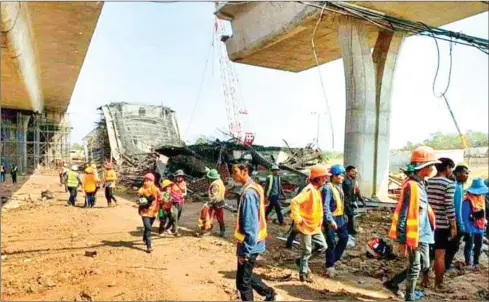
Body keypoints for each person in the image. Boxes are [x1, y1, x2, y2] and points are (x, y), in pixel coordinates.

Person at [387, 146, 438, 301]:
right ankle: (409, 296)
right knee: (416, 266)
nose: (433, 168)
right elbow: (403, 214)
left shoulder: (422, 183)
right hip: (414, 234)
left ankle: (394, 283)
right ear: (424, 168)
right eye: (431, 165)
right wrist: (402, 240)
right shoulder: (411, 186)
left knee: (424, 264)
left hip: (424, 231)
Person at [232, 160, 280, 301]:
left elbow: (250, 225)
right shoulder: (256, 187)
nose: (233, 175)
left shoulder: (248, 193)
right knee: (244, 277)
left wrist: (245, 251)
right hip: (254, 242)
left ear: (244, 171)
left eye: (235, 172)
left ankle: (271, 294)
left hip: (250, 244)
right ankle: (270, 294)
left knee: (243, 282)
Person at [290, 166, 328, 282]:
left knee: (323, 246)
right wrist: (298, 219)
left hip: (314, 227)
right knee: (307, 250)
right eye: (324, 178)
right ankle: (303, 273)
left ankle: (301, 261)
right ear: (318, 178)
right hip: (306, 226)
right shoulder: (309, 190)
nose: (326, 180)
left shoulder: (316, 190)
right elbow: (294, 202)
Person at [426, 157, 456, 291]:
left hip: (427, 222)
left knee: (426, 253)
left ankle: (424, 281)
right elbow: (449, 206)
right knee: (440, 255)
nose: (451, 172)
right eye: (451, 169)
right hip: (441, 225)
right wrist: (453, 225)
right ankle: (438, 285)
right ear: (447, 168)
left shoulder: (427, 182)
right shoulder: (449, 184)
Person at [323, 164, 348, 278]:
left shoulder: (339, 186)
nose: (342, 177)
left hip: (340, 217)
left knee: (344, 237)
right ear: (333, 176)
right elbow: (326, 206)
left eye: (343, 175)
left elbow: (340, 202)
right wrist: (330, 220)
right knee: (331, 242)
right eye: (340, 175)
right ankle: (330, 265)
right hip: (331, 218)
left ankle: (334, 258)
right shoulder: (328, 188)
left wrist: (344, 214)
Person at [445, 163, 470, 270]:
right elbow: (457, 208)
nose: (467, 175)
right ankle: (445, 266)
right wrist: (461, 225)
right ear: (458, 173)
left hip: (446, 220)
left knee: (447, 246)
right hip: (453, 221)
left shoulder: (452, 184)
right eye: (466, 173)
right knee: (453, 246)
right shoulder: (458, 187)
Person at [462, 177, 488, 269]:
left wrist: (484, 222)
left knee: (479, 245)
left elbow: (483, 212)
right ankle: (468, 262)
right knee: (469, 244)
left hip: (480, 226)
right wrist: (467, 230)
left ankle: (476, 261)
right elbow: (465, 217)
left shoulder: (482, 198)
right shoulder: (467, 200)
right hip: (470, 226)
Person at [198, 169, 227, 237]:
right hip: (221, 202)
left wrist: (208, 203)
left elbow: (214, 196)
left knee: (209, 217)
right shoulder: (220, 181)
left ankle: (208, 231)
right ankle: (222, 231)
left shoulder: (215, 185)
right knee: (220, 218)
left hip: (214, 203)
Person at [137, 173, 160, 253]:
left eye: (148, 181)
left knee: (148, 227)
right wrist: (140, 200)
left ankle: (144, 238)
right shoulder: (142, 189)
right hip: (145, 212)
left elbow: (160, 198)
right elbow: (138, 196)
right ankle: (149, 246)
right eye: (145, 180)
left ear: (152, 181)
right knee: (148, 228)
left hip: (154, 212)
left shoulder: (156, 189)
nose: (146, 182)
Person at [285, 178, 309, 249]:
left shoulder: (304, 185)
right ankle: (289, 244)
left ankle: (289, 244)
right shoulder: (305, 187)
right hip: (300, 210)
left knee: (295, 229)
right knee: (295, 229)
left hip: (300, 210)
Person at [342, 165, 365, 235]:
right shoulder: (345, 182)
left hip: (350, 203)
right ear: (347, 172)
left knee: (350, 217)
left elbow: (357, 191)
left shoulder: (354, 181)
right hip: (346, 203)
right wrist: (351, 202)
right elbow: (346, 195)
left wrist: (362, 200)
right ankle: (349, 232)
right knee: (348, 217)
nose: (355, 173)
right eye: (353, 171)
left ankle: (351, 231)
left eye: (356, 172)